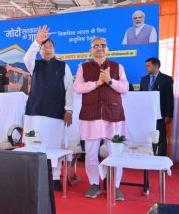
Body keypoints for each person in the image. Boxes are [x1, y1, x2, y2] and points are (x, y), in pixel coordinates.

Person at [74, 37, 129, 201]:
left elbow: (125, 88)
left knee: (115, 153)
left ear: (107, 48)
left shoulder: (117, 67)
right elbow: (77, 87)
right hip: (90, 116)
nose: (99, 48)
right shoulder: (83, 67)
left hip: (113, 116)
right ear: (91, 50)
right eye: (95, 46)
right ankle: (94, 183)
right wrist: (97, 83)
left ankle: (115, 186)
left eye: (102, 45)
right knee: (91, 154)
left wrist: (110, 81)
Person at [23, 25, 74, 191]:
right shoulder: (34, 65)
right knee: (35, 144)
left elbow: (69, 90)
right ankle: (34, 176)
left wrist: (69, 110)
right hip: (35, 112)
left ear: (54, 49)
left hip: (55, 113)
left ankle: (55, 177)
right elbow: (27, 58)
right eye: (44, 46)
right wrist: (37, 41)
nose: (47, 49)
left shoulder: (63, 66)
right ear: (40, 50)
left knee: (54, 145)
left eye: (50, 46)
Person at [140, 57, 173, 156]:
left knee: (161, 136)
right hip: (147, 114)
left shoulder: (166, 79)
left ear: (156, 66)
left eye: (148, 66)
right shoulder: (144, 79)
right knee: (149, 136)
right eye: (145, 66)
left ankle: (161, 158)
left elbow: (169, 98)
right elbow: (141, 96)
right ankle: (151, 155)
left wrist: (169, 114)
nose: (146, 68)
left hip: (161, 113)